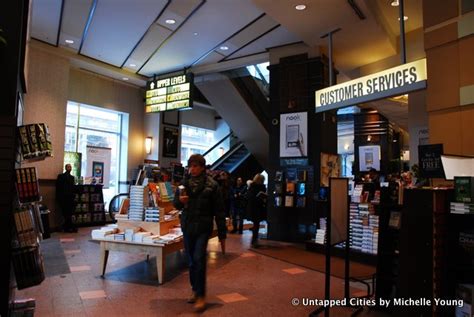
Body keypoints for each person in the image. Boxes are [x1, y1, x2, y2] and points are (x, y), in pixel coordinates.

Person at [173, 154, 227, 312]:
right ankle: (195, 290)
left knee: (199, 259)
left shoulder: (212, 185)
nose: (192, 169)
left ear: (202, 167)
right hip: (188, 226)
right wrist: (180, 202)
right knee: (190, 261)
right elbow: (176, 204)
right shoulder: (184, 184)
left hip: (203, 227)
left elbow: (219, 211)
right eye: (190, 166)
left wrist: (222, 234)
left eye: (196, 166)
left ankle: (202, 296)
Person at [247, 173, 267, 248]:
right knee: (256, 224)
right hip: (257, 208)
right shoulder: (261, 187)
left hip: (253, 208)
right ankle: (254, 241)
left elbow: (249, 197)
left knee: (256, 224)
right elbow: (253, 198)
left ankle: (254, 240)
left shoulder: (251, 187)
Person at [55, 164, 77, 233]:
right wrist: (58, 197)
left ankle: (67, 227)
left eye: (70, 167)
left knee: (69, 213)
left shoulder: (72, 177)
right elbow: (58, 187)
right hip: (63, 197)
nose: (69, 168)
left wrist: (73, 196)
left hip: (69, 198)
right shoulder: (61, 176)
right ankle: (68, 227)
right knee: (65, 213)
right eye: (68, 167)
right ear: (65, 168)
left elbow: (72, 188)